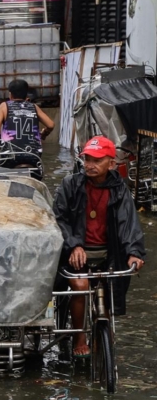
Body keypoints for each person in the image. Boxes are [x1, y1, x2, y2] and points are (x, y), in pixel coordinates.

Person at [53, 136, 145, 357]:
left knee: (110, 287)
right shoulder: (70, 184)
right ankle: (79, 336)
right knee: (80, 285)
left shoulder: (120, 189)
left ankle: (103, 329)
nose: (90, 165)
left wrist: (134, 252)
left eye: (97, 160)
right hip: (76, 252)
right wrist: (74, 246)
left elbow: (129, 222)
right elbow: (59, 218)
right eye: (87, 159)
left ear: (111, 164)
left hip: (109, 252)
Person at [0, 78, 54, 180]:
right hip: (33, 157)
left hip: (10, 157)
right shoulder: (34, 107)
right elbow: (51, 125)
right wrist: (43, 134)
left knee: (2, 178)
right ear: (26, 95)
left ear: (10, 94)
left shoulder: (4, 106)